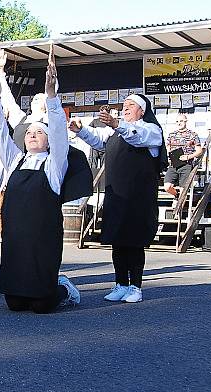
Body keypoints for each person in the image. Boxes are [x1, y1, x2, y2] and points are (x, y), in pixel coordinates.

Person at [0, 45, 81, 314]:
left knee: (42, 306)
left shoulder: (54, 164)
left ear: (48, 140)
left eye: (38, 133)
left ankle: (64, 288)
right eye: (29, 133)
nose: (31, 135)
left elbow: (60, 134)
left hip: (43, 239)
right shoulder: (15, 159)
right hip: (16, 238)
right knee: (14, 304)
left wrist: (52, 97)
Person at [70, 93, 164, 303]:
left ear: (142, 110)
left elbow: (136, 136)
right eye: (124, 105)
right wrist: (80, 130)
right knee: (117, 241)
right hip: (116, 195)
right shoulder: (114, 132)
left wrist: (116, 124)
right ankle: (120, 283)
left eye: (131, 105)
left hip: (138, 198)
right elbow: (96, 138)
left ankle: (135, 287)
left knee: (134, 242)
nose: (126, 108)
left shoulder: (151, 130)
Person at [163, 113, 202, 200]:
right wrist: (170, 153)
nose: (179, 123)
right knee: (167, 187)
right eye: (177, 121)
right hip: (173, 164)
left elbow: (199, 151)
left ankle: (178, 208)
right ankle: (176, 196)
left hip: (186, 164)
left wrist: (188, 157)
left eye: (181, 121)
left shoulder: (193, 135)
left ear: (186, 121)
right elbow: (167, 147)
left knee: (183, 190)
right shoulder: (171, 135)